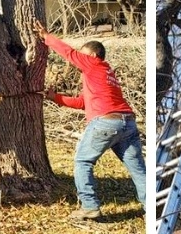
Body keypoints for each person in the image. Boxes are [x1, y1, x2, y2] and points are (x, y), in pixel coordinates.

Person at [33, 20, 145, 220]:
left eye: (82, 54)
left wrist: (46, 36)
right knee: (138, 170)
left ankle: (90, 207)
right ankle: (150, 208)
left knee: (82, 161)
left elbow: (69, 53)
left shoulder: (93, 63)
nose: (79, 58)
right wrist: (55, 97)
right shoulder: (105, 74)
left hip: (106, 122)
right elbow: (82, 103)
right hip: (127, 123)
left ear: (93, 55)